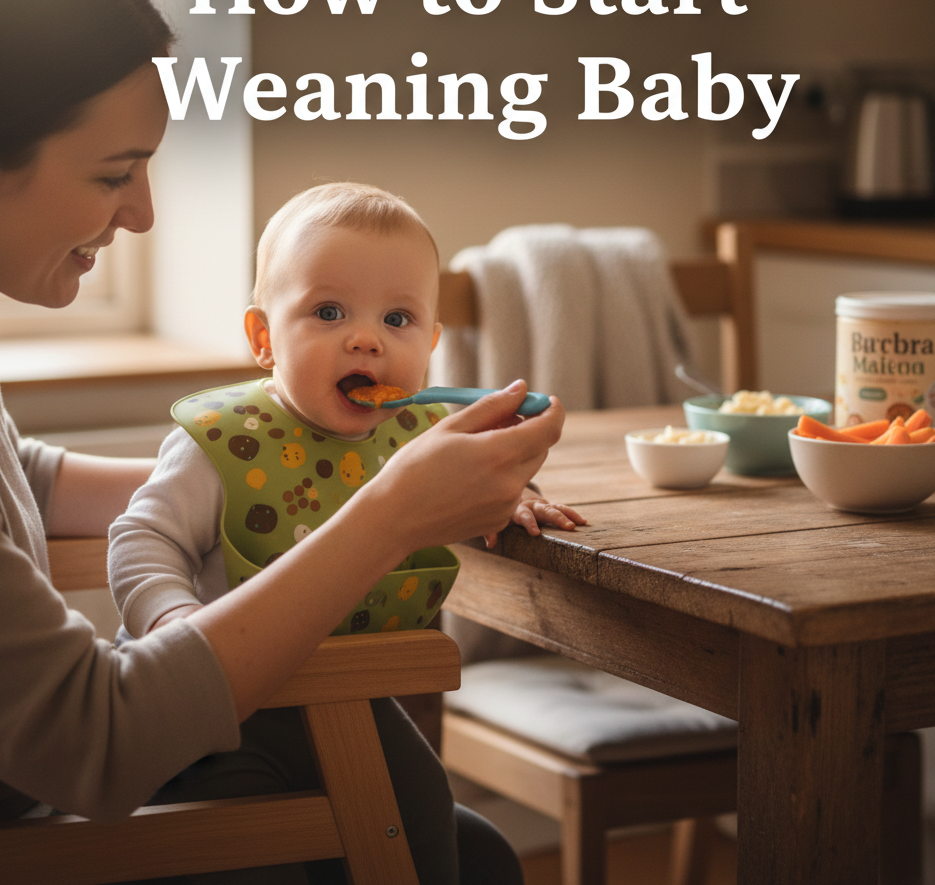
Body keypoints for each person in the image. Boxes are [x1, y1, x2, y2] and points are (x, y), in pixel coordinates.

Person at [0, 0, 567, 884]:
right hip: (4, 826)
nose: (144, 214)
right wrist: (386, 513)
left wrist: (272, 470)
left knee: (473, 847)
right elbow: (96, 736)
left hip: (20, 787)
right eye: (115, 173)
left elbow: (7, 480)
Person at [109, 182, 585, 639]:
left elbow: (474, 485)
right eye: (329, 312)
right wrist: (174, 624)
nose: (366, 339)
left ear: (431, 346)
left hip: (361, 685)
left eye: (397, 319)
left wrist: (515, 495)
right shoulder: (222, 442)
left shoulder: (425, 435)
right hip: (221, 694)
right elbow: (142, 540)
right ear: (264, 338)